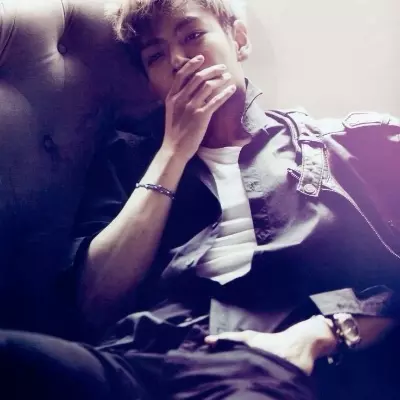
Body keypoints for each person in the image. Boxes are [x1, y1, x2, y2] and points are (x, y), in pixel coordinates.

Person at [1, 0, 400, 399]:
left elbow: (388, 285)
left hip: (262, 357)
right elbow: (95, 303)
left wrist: (316, 335)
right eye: (155, 56)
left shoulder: (332, 147)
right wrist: (174, 151)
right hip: (136, 357)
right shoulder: (126, 158)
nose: (177, 60)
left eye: (192, 35)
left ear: (239, 40)